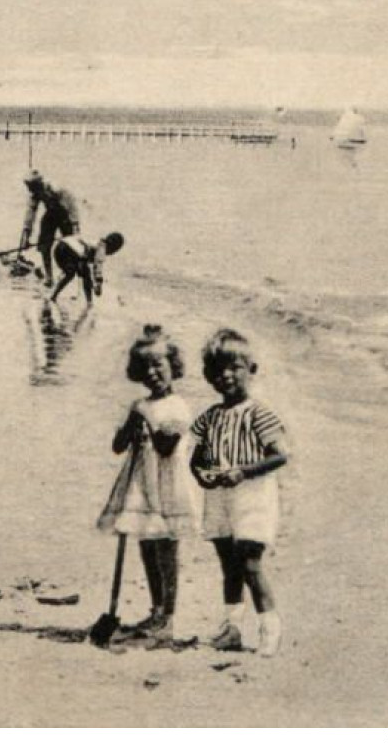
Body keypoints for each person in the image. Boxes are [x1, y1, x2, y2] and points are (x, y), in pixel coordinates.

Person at [191, 330, 292, 657]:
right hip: (220, 495)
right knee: (228, 564)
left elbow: (280, 455)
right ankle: (232, 627)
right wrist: (202, 473)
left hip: (253, 496)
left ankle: (270, 626)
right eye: (218, 369)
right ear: (209, 377)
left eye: (235, 367)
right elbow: (197, 456)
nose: (227, 375)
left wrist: (244, 471)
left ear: (252, 369)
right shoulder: (210, 416)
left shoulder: (258, 413)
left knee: (250, 562)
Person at [96, 325, 199, 640]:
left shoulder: (178, 407)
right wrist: (131, 425)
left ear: (173, 367)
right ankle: (155, 610)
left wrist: (149, 428)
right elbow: (118, 446)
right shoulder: (139, 406)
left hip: (167, 488)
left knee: (166, 550)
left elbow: (166, 448)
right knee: (146, 546)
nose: (153, 373)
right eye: (146, 367)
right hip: (141, 485)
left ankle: (168, 616)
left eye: (159, 365)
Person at [19, 172, 82, 285]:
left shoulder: (55, 188)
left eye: (31, 187)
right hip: (51, 214)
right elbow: (30, 215)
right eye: (28, 187)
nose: (29, 190)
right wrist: (26, 238)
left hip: (65, 214)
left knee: (70, 246)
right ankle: (49, 277)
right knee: (44, 246)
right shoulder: (34, 194)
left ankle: (68, 272)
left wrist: (75, 225)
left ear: (38, 184)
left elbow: (72, 206)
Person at [51, 232, 125, 305]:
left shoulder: (96, 242)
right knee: (82, 274)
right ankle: (89, 302)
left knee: (74, 273)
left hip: (60, 247)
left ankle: (54, 295)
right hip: (70, 250)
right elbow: (97, 267)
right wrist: (98, 284)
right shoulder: (102, 248)